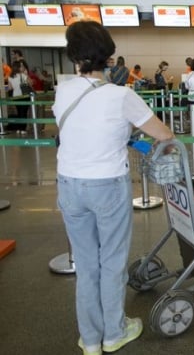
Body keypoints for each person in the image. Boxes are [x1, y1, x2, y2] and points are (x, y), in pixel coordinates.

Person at [52, 21, 174, 355]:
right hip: (106, 184)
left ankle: (91, 339)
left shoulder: (62, 90)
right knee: (112, 261)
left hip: (69, 184)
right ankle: (115, 332)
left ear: (74, 56)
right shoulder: (121, 95)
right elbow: (165, 134)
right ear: (108, 55)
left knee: (87, 264)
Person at [6, 60, 32, 134]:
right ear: (18, 68)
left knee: (19, 112)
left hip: (15, 97)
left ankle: (19, 129)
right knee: (24, 113)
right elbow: (30, 83)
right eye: (21, 66)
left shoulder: (10, 77)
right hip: (24, 96)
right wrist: (27, 75)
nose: (22, 67)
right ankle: (23, 129)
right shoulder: (23, 75)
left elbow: (10, 88)